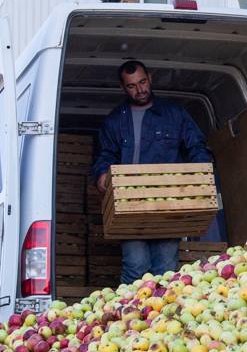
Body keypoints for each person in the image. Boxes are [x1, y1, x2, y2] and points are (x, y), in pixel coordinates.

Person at [92, 60, 214, 284]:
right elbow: (105, 155)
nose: (140, 90)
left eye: (143, 82)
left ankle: (160, 307)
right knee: (136, 264)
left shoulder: (174, 114)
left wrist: (201, 177)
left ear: (150, 78)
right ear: (123, 88)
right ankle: (129, 307)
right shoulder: (115, 121)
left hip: (169, 203)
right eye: (132, 86)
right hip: (130, 205)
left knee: (166, 267)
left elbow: (196, 147)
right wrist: (101, 174)